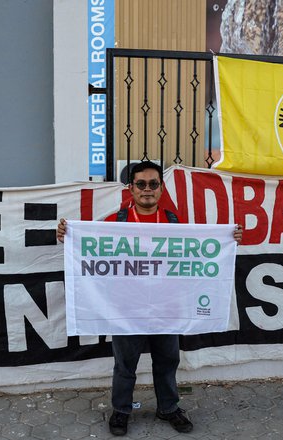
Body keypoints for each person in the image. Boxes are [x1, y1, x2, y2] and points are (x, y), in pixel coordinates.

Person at [57, 161, 243, 436]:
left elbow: (198, 253)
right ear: (131, 188)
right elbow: (89, 248)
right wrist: (67, 235)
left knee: (167, 361)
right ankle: (121, 411)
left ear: (161, 188)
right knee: (125, 366)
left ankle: (168, 407)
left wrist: (229, 237)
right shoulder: (115, 223)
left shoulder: (173, 222)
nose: (147, 190)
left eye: (153, 184)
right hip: (126, 310)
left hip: (167, 309)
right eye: (141, 184)